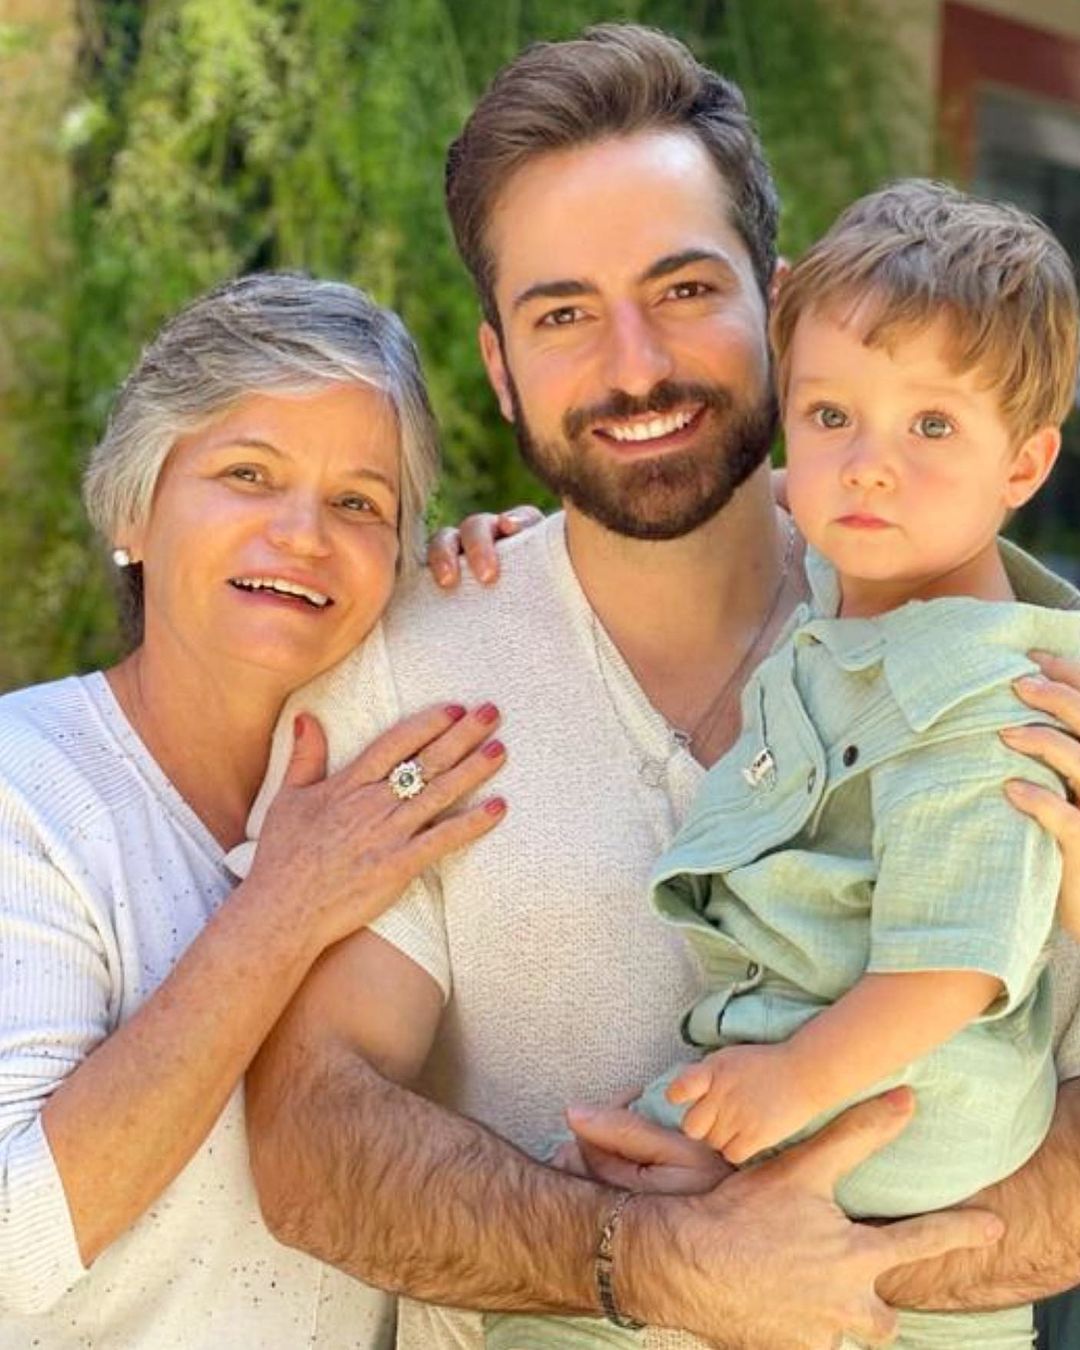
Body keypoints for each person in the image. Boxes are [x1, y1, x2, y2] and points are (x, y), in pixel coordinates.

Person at [241, 26, 1080, 1350]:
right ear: (502, 364)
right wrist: (658, 1259)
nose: (634, 365)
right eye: (564, 312)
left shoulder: (996, 646)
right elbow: (314, 1134)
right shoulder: (415, 666)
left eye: (685, 288)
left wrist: (823, 1269)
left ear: (781, 304)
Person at [484, 178, 1080, 1350]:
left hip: (900, 1110)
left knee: (576, 1299)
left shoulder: (976, 701)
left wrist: (791, 1084)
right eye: (829, 417)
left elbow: (953, 967)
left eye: (932, 428)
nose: (867, 467)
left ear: (1024, 467)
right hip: (850, 1081)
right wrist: (527, 539)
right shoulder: (866, 587)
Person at [0, 271, 509, 1348]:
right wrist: (283, 910)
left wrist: (526, 586)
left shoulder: (402, 773)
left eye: (360, 504)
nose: (305, 535)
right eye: (248, 474)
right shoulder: (25, 786)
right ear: (135, 509)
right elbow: (17, 1239)